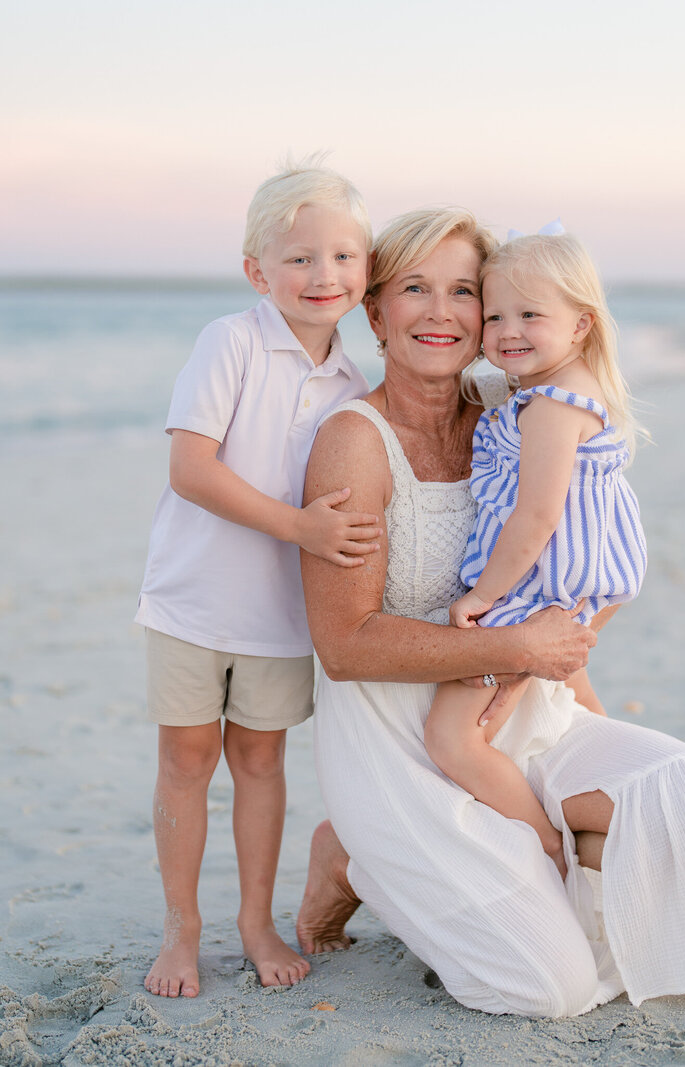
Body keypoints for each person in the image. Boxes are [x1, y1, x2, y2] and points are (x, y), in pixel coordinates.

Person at [295, 207, 685, 1016]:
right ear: (374, 313)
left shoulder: (514, 404)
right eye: (415, 288)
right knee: (550, 987)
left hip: (519, 698)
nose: (444, 311)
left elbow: (583, 551)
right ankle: (352, 856)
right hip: (400, 736)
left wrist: (552, 659)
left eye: (465, 291)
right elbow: (343, 646)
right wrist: (519, 646)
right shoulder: (353, 440)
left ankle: (561, 849)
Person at [135, 161, 380, 998]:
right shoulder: (231, 341)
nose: (323, 274)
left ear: (367, 268)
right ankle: (181, 929)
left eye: (343, 256)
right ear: (257, 271)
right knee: (185, 759)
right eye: (300, 257)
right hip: (192, 600)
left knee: (262, 763)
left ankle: (254, 920)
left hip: (279, 615)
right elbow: (190, 469)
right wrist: (300, 527)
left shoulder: (353, 386)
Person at [424, 229, 647, 881]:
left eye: (529, 314)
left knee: (452, 738)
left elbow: (537, 517)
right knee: (577, 706)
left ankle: (548, 848)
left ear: (581, 324)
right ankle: (631, 795)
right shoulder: (562, 386)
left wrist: (482, 595)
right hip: (577, 582)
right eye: (495, 315)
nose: (508, 331)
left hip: (536, 587)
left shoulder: (552, 404)